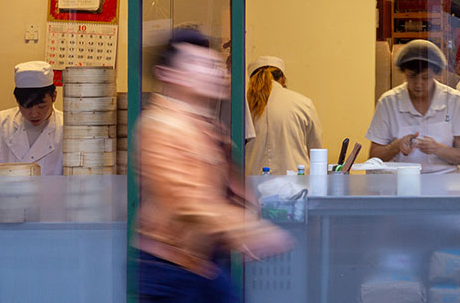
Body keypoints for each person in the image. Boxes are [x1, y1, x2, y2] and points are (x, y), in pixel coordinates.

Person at [134, 29, 292, 302]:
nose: (215, 72)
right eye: (199, 65)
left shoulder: (204, 124)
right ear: (169, 74)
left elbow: (226, 187)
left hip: (201, 262)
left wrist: (243, 221)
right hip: (170, 267)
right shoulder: (161, 126)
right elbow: (183, 199)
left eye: (213, 65)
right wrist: (245, 229)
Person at [367, 39, 460, 174]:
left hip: (445, 181)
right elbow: (374, 156)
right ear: (404, 72)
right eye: (411, 77)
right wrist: (396, 146)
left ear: (435, 74)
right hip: (402, 182)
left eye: (425, 78)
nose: (418, 84)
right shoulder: (388, 102)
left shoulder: (455, 101)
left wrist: (437, 149)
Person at [244, 56, 322, 175]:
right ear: (283, 79)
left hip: (252, 187)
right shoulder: (303, 104)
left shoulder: (242, 105)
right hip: (296, 186)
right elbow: (317, 154)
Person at [0, 61, 63, 175]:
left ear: (54, 96)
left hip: (51, 192)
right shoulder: (0, 122)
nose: (34, 114)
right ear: (17, 101)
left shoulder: (66, 127)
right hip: (8, 192)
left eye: (41, 106)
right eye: (26, 106)